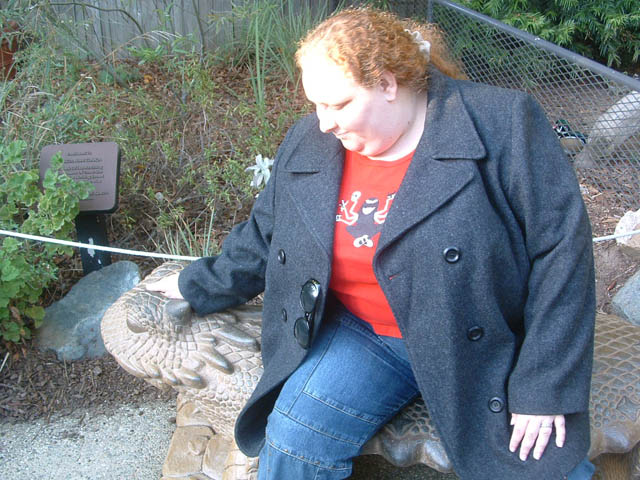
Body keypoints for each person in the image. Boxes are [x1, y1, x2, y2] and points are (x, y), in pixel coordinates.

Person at [147, 7, 596, 480]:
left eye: (339, 105)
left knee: (542, 465)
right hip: (368, 335)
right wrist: (197, 283)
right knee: (293, 441)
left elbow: (561, 254)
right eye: (316, 105)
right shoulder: (309, 141)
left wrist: (545, 386)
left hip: (482, 340)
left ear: (387, 84)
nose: (324, 123)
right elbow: (265, 236)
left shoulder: (503, 123)